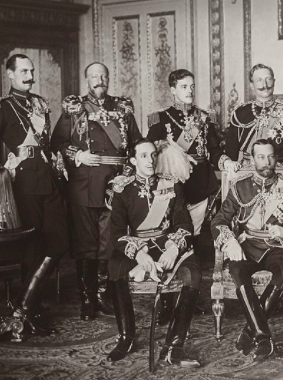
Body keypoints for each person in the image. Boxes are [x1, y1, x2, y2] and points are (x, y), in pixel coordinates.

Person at [0, 53, 69, 336]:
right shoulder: (0, 108)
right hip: (24, 185)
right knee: (33, 247)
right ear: (10, 75)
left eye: (31, 71)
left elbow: (47, 145)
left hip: (49, 182)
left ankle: (21, 307)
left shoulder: (40, 104)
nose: (29, 76)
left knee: (60, 242)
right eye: (23, 71)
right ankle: (30, 313)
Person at [211, 139, 283, 360]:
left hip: (276, 246)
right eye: (261, 157)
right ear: (252, 159)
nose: (267, 162)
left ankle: (250, 331)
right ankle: (263, 338)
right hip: (247, 245)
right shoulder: (239, 187)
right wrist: (230, 241)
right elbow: (218, 221)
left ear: (276, 157)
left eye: (271, 156)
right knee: (238, 273)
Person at [52, 62, 141, 321]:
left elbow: (135, 142)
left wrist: (133, 167)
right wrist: (78, 154)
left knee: (109, 242)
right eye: (94, 76)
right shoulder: (75, 107)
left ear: (109, 78)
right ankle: (87, 300)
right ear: (86, 80)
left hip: (116, 182)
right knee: (85, 243)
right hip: (83, 182)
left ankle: (104, 294)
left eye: (103, 75)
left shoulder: (122, 107)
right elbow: (58, 142)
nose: (99, 80)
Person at [105, 138, 201, 368]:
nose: (150, 160)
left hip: (167, 244)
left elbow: (184, 224)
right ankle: (127, 337)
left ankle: (174, 346)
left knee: (194, 272)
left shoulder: (172, 184)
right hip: (138, 245)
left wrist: (175, 248)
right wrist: (138, 254)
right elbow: (116, 233)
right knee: (114, 267)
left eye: (153, 155)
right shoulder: (122, 190)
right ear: (133, 160)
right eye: (143, 156)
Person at [146, 69, 222, 322]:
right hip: (173, 187)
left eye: (192, 86)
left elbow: (213, 150)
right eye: (184, 86)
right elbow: (149, 152)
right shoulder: (160, 118)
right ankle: (167, 298)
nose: (190, 91)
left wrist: (224, 160)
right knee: (170, 240)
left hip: (200, 185)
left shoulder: (204, 118)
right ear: (172, 89)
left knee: (194, 241)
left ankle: (189, 295)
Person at [220, 64, 283, 172]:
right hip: (246, 171)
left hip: (278, 170)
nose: (265, 85)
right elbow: (231, 150)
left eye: (268, 79)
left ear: (274, 82)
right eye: (259, 80)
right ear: (252, 85)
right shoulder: (240, 113)